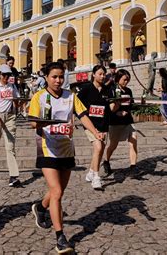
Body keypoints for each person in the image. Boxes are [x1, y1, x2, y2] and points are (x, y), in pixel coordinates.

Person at [28, 62, 103, 254]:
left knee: (57, 191)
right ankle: (60, 238)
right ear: (46, 77)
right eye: (54, 76)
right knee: (57, 192)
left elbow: (83, 115)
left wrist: (95, 132)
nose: (58, 80)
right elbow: (33, 122)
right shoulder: (39, 97)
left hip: (67, 149)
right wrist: (42, 124)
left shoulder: (71, 96)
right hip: (47, 149)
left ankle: (40, 207)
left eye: (61, 76)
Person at [0, 64, 21, 186]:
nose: (7, 77)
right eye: (4, 75)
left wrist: (16, 109)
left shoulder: (12, 87)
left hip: (10, 117)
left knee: (10, 146)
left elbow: (17, 99)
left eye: (8, 75)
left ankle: (13, 175)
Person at [77, 65, 111, 190]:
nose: (102, 76)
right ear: (94, 74)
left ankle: (91, 171)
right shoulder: (86, 89)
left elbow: (109, 108)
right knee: (98, 146)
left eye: (104, 74)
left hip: (103, 124)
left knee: (100, 149)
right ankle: (96, 177)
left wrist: (117, 105)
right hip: (90, 124)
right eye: (100, 74)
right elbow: (77, 105)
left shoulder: (108, 89)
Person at [103, 69, 138, 177]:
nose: (126, 82)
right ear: (118, 79)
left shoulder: (128, 91)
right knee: (113, 145)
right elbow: (109, 108)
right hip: (115, 122)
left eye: (128, 80)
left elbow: (130, 105)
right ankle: (106, 161)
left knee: (134, 140)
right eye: (124, 80)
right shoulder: (112, 90)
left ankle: (133, 167)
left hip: (127, 121)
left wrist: (129, 109)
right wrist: (117, 112)